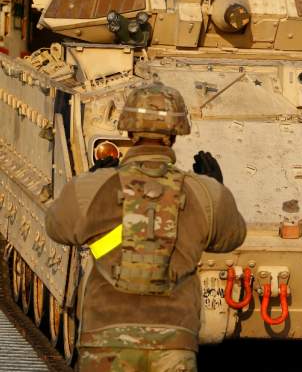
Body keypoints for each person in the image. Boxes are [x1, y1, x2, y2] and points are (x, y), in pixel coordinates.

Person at [46, 82, 246, 372]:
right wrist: (218, 187)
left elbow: (56, 227)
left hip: (106, 337)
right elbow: (232, 237)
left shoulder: (93, 188)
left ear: (128, 131)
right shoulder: (205, 194)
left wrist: (90, 183)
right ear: (175, 135)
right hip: (174, 341)